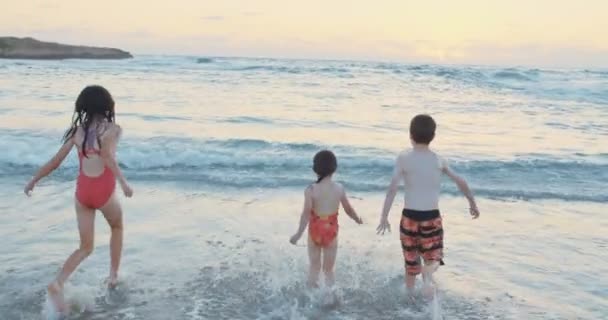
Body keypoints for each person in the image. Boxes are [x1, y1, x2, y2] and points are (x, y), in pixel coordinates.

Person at [24, 85, 133, 313]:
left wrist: (34, 179)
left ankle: (58, 282)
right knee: (117, 226)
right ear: (107, 106)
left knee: (85, 246)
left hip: (82, 193)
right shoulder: (112, 129)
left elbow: (55, 162)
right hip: (103, 191)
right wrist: (124, 183)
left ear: (84, 107)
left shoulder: (77, 132)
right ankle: (113, 276)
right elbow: (107, 157)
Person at [376, 114, 480, 297]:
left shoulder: (403, 158)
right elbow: (460, 181)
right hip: (431, 217)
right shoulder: (438, 160)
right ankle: (427, 278)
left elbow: (393, 188)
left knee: (411, 263)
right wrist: (472, 202)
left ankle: (409, 300)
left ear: (410, 135)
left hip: (409, 218)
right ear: (433, 136)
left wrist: (384, 216)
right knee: (432, 260)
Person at [290, 150, 363, 288]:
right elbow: (348, 209)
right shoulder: (339, 188)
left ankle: (311, 295)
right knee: (328, 270)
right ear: (334, 168)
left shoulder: (310, 190)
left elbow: (306, 214)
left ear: (315, 169)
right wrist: (357, 219)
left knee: (314, 267)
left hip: (315, 231)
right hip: (331, 231)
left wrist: (298, 234)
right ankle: (330, 297)